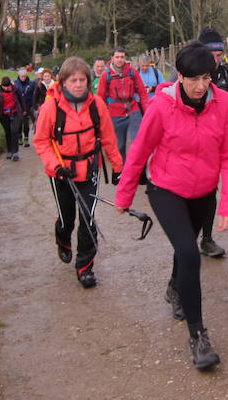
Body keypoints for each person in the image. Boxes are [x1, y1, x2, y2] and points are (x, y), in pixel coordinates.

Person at [115, 42, 228, 370]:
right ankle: (198, 336)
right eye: (193, 79)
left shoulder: (223, 102)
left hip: (204, 192)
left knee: (184, 248)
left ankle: (175, 287)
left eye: (206, 78)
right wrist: (125, 194)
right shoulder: (162, 106)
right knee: (188, 252)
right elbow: (140, 150)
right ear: (179, 76)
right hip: (166, 189)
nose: (201, 86)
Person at [34, 57, 124, 288]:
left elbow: (108, 138)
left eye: (82, 79)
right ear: (63, 82)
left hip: (89, 169)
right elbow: (42, 141)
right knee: (67, 219)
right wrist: (55, 166)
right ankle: (63, 239)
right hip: (61, 173)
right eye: (73, 80)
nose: (78, 84)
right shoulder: (51, 107)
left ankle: (85, 267)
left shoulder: (97, 105)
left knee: (88, 218)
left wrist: (118, 167)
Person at [189, 27, 228, 259]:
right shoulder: (187, 71)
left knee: (210, 191)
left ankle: (207, 239)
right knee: (191, 192)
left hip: (217, 143)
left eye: (220, 54)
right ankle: (186, 236)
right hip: (189, 144)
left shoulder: (227, 75)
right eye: (212, 53)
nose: (216, 58)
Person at [97, 48, 149, 162]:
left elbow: (142, 91)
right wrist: (101, 117)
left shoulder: (132, 71)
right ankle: (123, 170)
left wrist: (146, 111)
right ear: (112, 58)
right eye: (117, 57)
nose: (120, 60)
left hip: (133, 110)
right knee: (120, 145)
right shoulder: (106, 75)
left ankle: (140, 171)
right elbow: (100, 98)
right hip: (115, 113)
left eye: (122, 57)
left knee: (138, 142)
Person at [0, 76, 26, 161]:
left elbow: (21, 100)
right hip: (4, 115)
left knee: (14, 131)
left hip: (15, 112)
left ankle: (15, 152)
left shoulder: (15, 89)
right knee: (8, 132)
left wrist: (24, 110)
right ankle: (9, 150)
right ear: (1, 85)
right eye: (5, 87)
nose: (7, 88)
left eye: (8, 86)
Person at [12, 67, 36, 147]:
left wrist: (33, 105)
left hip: (27, 105)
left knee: (26, 123)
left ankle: (26, 138)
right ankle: (19, 137)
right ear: (19, 76)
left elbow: (33, 95)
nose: (23, 78)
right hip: (18, 106)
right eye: (22, 76)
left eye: (24, 76)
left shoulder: (31, 83)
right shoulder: (15, 83)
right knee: (19, 122)